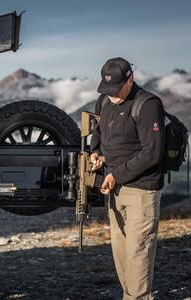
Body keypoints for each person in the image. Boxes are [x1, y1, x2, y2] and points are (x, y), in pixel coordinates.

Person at [90, 57, 165, 300]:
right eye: (107, 89)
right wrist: (96, 153)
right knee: (121, 252)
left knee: (138, 251)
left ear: (130, 79)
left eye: (116, 90)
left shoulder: (148, 104)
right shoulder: (105, 100)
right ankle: (130, 295)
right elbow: (98, 132)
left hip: (141, 191)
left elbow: (152, 153)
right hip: (114, 188)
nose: (111, 95)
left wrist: (115, 174)